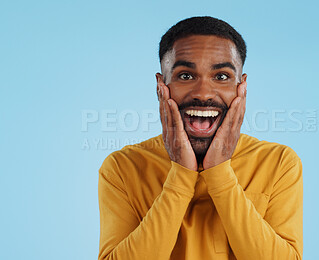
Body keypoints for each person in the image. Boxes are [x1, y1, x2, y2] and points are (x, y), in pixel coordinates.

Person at [98, 16, 303, 260]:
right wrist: (181, 175)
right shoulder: (122, 167)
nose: (203, 93)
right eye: (185, 76)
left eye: (222, 76)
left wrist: (219, 173)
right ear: (161, 86)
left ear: (242, 86)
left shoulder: (279, 162)